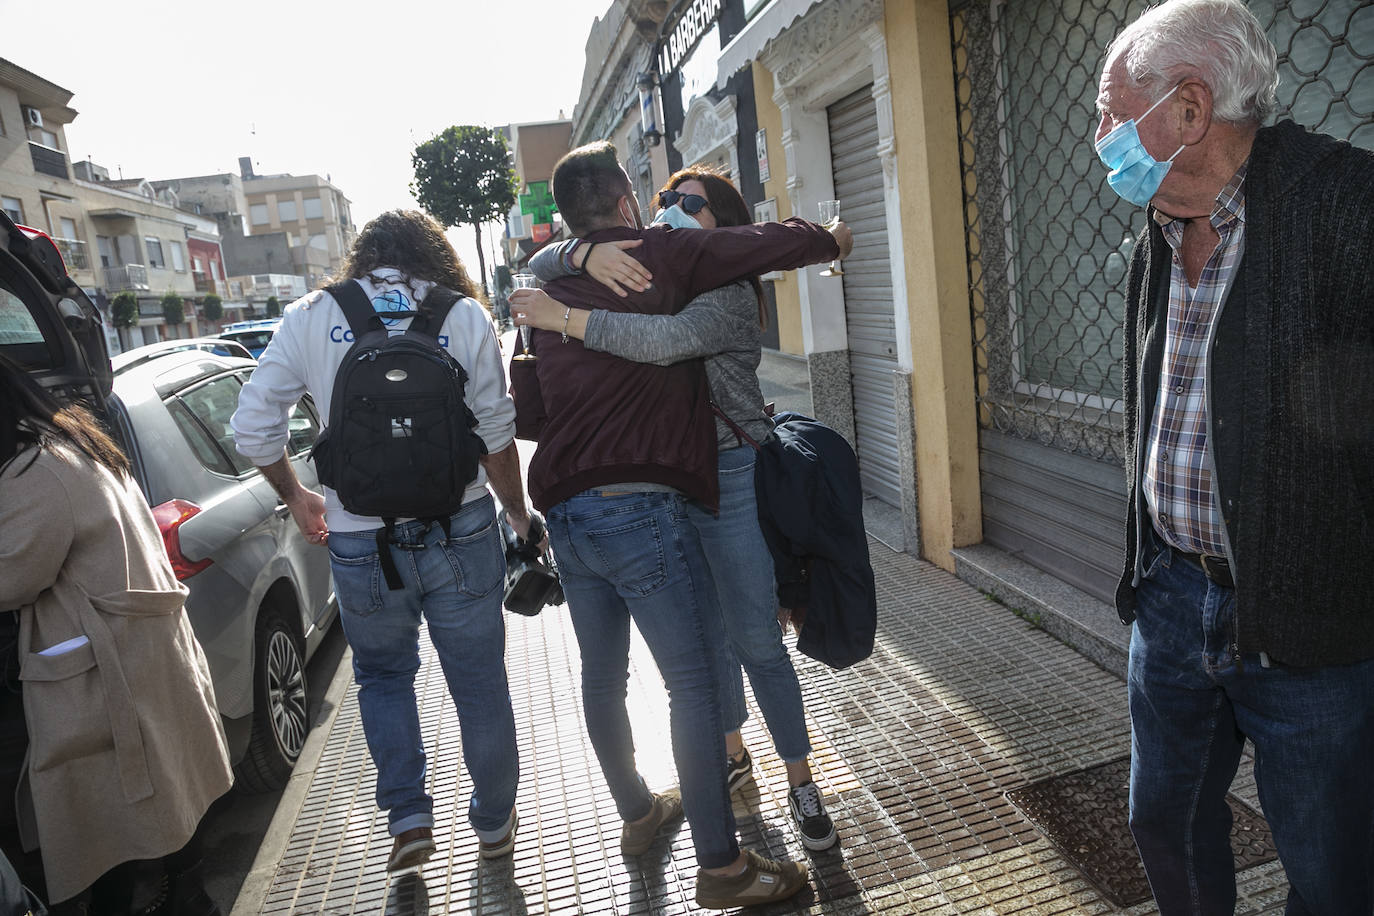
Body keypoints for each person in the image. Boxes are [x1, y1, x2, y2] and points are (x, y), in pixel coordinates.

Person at [512, 141, 849, 910]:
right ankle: (724, 819)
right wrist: (574, 256)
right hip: (650, 495)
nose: (673, 212)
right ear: (630, 202)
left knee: (743, 646)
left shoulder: (694, 279)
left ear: (714, 228)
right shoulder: (653, 263)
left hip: (673, 484)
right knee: (698, 670)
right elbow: (628, 300)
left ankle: (772, 787)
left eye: (692, 205)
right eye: (666, 199)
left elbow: (660, 343)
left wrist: (564, 295)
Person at [1094, 1, 1374, 912]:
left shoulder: (1348, 208)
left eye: (1112, 110)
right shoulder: (1158, 230)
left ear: (1187, 108)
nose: (1100, 135)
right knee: (1161, 821)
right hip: (1173, 598)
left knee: (1332, 869)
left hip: (1310, 621)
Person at [231, 210, 539, 873]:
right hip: (459, 527)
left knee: (383, 678)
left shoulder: (311, 315)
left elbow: (253, 430)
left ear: (360, 254)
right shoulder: (461, 315)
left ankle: (407, 820)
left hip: (359, 542)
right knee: (480, 685)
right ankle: (492, 823)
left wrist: (297, 494)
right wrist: (517, 514)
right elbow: (496, 435)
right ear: (434, 253)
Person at [0, 354, 233, 914]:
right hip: (144, 666)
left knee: (117, 856)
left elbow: (8, 577)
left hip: (106, 689)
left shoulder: (36, 476)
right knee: (171, 836)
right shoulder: (79, 445)